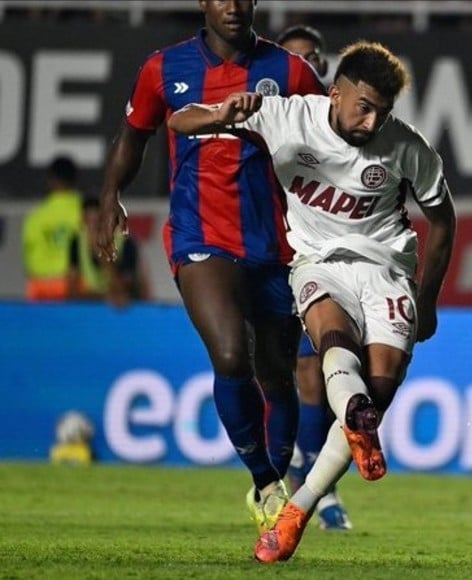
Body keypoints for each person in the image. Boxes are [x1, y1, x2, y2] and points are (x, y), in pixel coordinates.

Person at [168, 40, 456, 564]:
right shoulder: (284, 115)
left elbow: (444, 218)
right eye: (363, 107)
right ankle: (308, 498)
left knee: (377, 391)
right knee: (331, 342)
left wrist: (428, 299)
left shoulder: (407, 146)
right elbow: (181, 120)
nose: (371, 123)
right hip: (317, 263)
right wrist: (226, 111)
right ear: (336, 92)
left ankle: (304, 497)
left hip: (388, 269)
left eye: (383, 112)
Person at [95, 0, 325, 536]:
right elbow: (135, 133)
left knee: (277, 373)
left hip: (278, 244)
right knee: (229, 353)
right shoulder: (163, 68)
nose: (232, 6)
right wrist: (110, 196)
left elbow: (333, 136)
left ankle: (276, 474)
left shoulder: (290, 71)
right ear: (203, 2)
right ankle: (266, 482)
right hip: (201, 235)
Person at [276, 23, 352, 532]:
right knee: (283, 376)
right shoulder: (272, 120)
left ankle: (319, 489)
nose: (304, 64)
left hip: (322, 263)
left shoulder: (347, 123)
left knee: (319, 374)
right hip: (270, 255)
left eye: (312, 57)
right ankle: (300, 466)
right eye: (294, 57)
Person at [22, 156, 84, 302]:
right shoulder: (86, 213)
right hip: (74, 287)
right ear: (75, 180)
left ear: (50, 180)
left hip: (39, 288)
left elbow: (28, 257)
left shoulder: (35, 217)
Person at [69, 198, 150, 308]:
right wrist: (103, 297)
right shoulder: (77, 242)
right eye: (89, 223)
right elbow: (73, 291)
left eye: (97, 224)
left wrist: (103, 253)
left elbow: (122, 292)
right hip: (91, 306)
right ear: (83, 221)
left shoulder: (125, 242)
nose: (93, 230)